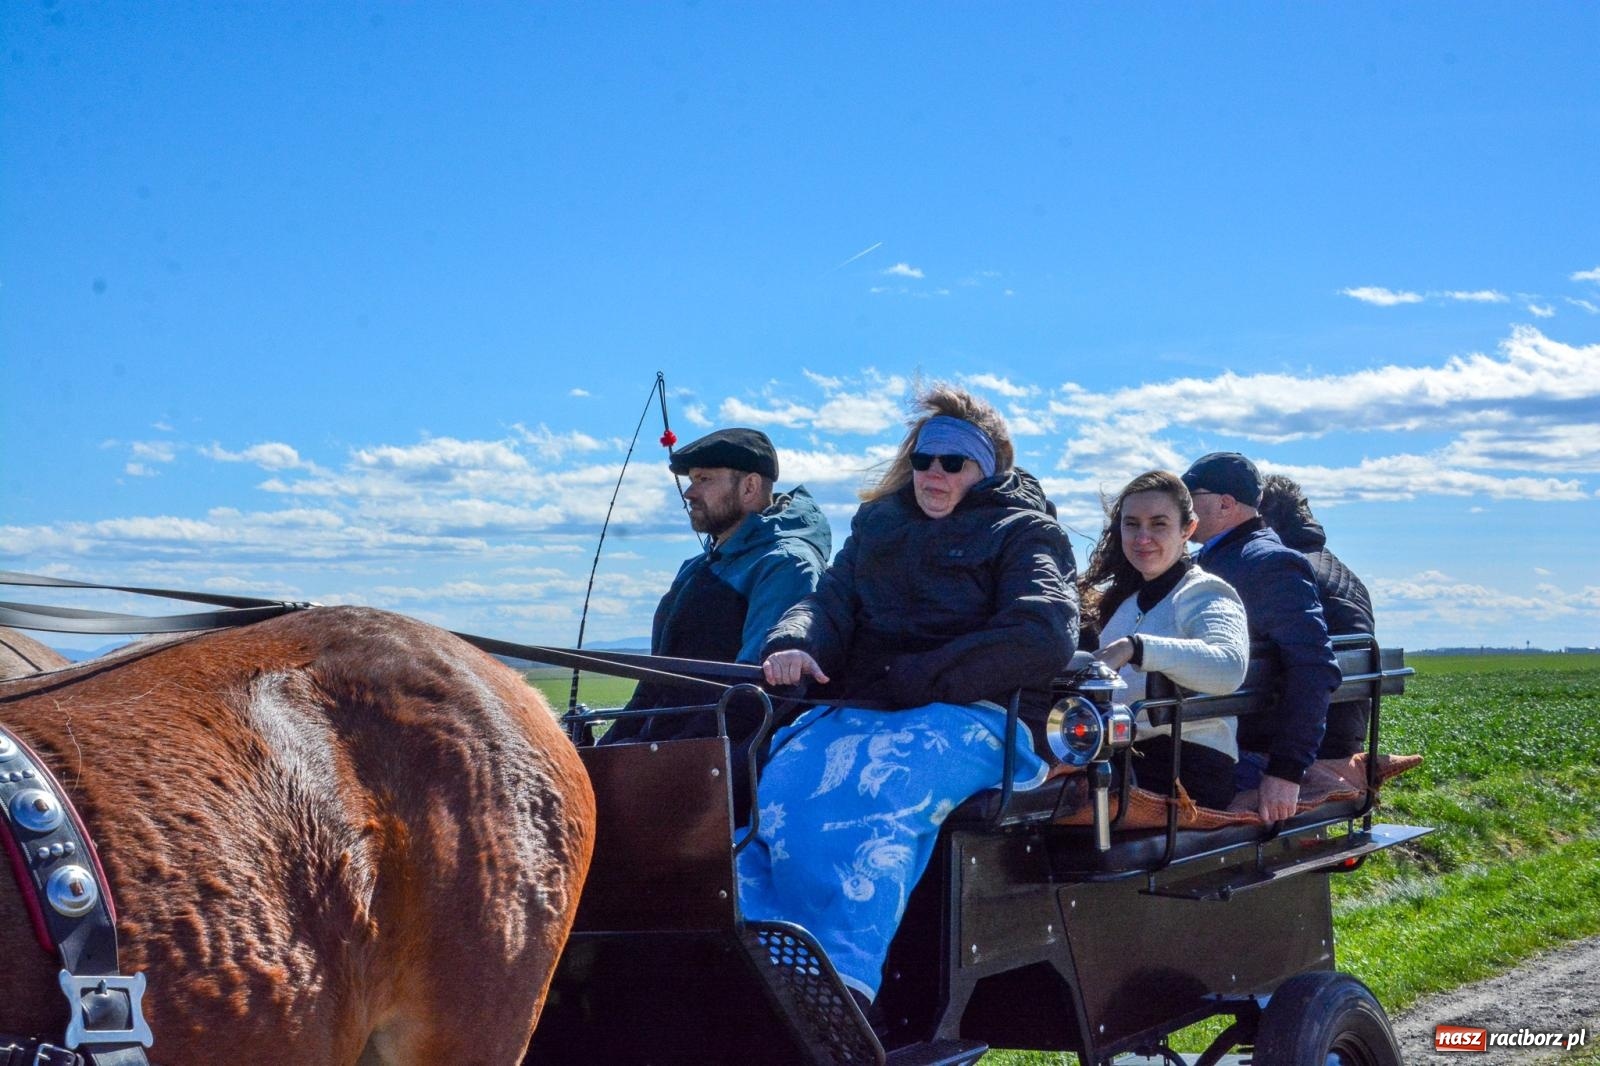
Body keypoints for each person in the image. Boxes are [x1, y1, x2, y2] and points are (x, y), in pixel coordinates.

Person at [742, 384, 1078, 1007]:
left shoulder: (1025, 532)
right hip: (878, 707)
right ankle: (760, 953)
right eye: (925, 459)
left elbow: (1044, 631)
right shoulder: (878, 526)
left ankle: (840, 985)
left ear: (985, 470)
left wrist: (920, 678)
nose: (934, 473)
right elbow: (829, 603)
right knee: (778, 785)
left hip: (982, 711)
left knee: (881, 793)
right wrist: (795, 643)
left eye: (954, 462)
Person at [601, 427, 831, 756]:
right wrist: (607, 748)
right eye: (692, 480)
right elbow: (655, 683)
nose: (689, 493)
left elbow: (752, 694)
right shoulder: (695, 567)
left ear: (750, 486)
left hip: (719, 763)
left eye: (704, 479)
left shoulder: (785, 564)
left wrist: (667, 755)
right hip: (659, 749)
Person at [1181, 452, 1341, 823]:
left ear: (1225, 504)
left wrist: (1286, 771)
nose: (1180, 507)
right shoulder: (1221, 558)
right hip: (1211, 736)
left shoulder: (1268, 563)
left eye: (1189, 497)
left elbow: (1314, 669)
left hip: (1239, 748)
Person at [1080, 470, 1249, 809]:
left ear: (1187, 529)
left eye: (1158, 524)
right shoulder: (1127, 604)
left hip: (1184, 766)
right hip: (1123, 754)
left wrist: (1138, 647)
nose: (1142, 537)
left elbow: (1229, 666)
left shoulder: (1204, 592)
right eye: (1132, 524)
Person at [1258, 473, 1376, 761]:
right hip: (1346, 735)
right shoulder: (1340, 571)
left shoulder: (1284, 570)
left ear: (1265, 520)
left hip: (1307, 743)